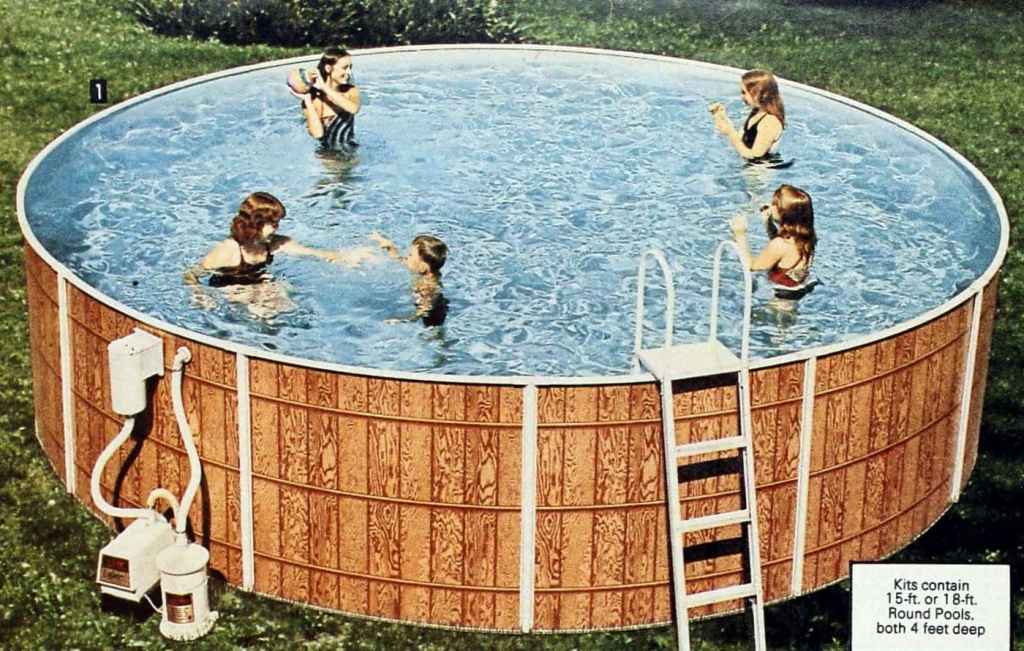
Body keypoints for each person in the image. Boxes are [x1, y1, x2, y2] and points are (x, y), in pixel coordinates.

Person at [185, 192, 371, 316]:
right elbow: (191, 274)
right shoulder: (228, 251)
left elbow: (315, 253)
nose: (276, 228)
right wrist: (199, 293)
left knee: (289, 303)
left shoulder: (273, 243)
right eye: (273, 223)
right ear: (256, 224)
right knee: (263, 308)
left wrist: (346, 257)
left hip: (258, 286)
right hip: (230, 291)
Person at [730, 184, 817, 295]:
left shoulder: (780, 244)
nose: (770, 207)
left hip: (780, 299)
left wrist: (740, 234)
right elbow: (783, 253)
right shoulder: (807, 237)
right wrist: (769, 225)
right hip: (795, 289)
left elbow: (752, 267)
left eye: (774, 204)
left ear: (784, 214)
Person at [369, 232, 449, 326]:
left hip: (433, 316)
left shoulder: (427, 286)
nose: (407, 257)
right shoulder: (425, 270)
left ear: (422, 267)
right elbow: (402, 261)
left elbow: (424, 310)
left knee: (433, 333)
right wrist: (390, 247)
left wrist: (403, 320)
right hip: (431, 303)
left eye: (410, 255)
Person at [710, 70, 788, 164]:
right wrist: (721, 117)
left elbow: (754, 157)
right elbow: (740, 141)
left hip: (759, 173)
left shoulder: (770, 122)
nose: (741, 97)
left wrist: (730, 133)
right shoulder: (757, 112)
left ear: (759, 94)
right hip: (746, 167)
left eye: (744, 92)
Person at [300, 47, 361, 149]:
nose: (349, 72)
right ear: (328, 68)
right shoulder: (316, 99)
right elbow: (317, 134)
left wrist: (324, 87)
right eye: (345, 68)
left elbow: (353, 109)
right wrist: (307, 101)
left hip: (352, 148)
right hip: (329, 155)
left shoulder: (351, 91)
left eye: (351, 67)